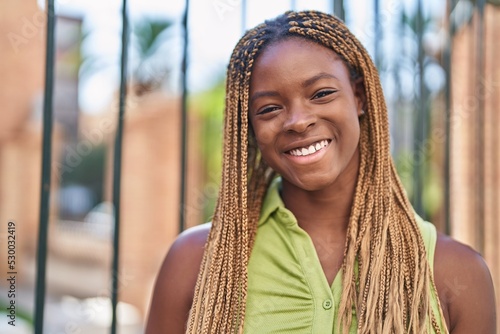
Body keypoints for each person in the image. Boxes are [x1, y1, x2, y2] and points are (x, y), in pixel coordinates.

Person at [145, 10, 496, 334]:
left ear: (358, 96)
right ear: (249, 128)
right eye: (269, 108)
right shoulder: (195, 262)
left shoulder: (455, 272)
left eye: (322, 93)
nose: (298, 121)